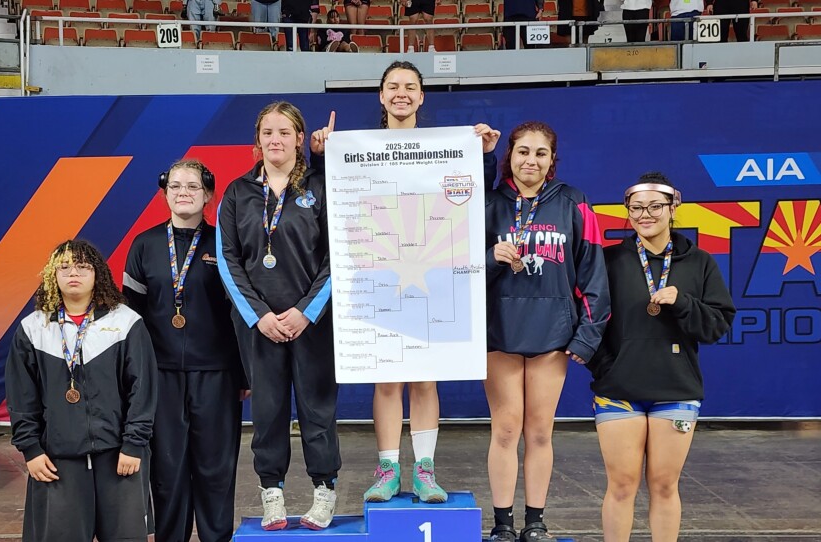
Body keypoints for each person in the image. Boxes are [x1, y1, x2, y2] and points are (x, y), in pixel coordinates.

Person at [310, 60, 501, 506]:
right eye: (393, 86)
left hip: (432, 268)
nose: (401, 93)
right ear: (381, 96)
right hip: (378, 272)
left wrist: (485, 154)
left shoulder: (448, 145)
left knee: (425, 378)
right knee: (387, 380)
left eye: (410, 87)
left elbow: (474, 193)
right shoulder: (354, 148)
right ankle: (389, 470)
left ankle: (426, 472)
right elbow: (327, 197)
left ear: (421, 96)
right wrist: (319, 156)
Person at [587, 173, 735, 542]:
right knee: (621, 485)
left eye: (655, 206)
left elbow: (717, 325)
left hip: (676, 389)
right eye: (636, 208)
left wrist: (682, 302)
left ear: (673, 207)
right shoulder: (609, 260)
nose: (645, 214)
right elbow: (588, 319)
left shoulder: (699, 262)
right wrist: (606, 366)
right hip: (619, 389)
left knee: (665, 484)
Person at [218, 101, 340, 531]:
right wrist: (259, 316)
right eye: (268, 132)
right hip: (260, 326)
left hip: (313, 322)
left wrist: (306, 312)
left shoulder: (320, 188)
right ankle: (273, 492)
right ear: (258, 140)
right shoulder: (237, 193)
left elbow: (336, 256)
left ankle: (324, 490)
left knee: (317, 408)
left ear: (299, 139)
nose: (275, 139)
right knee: (267, 410)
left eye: (284, 132)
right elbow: (228, 259)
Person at [485, 121, 610, 541]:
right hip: (498, 331)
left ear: (552, 160)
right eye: (522, 151)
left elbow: (594, 272)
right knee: (505, 429)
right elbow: (459, 263)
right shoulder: (489, 202)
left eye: (540, 153)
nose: (530, 161)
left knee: (539, 431)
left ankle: (535, 522)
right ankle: (502, 524)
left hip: (553, 335)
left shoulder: (574, 202)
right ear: (510, 157)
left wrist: (587, 335)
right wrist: (491, 256)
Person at [123, 160, 247, 542]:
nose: (183, 193)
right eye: (175, 186)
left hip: (217, 373)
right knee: (167, 469)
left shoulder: (224, 243)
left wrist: (244, 373)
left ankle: (216, 537)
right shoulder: (144, 245)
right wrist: (134, 378)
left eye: (193, 186)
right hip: (160, 375)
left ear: (208, 195)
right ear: (165, 194)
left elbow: (240, 313)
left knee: (216, 468)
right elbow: (131, 318)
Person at [5, 240, 157, 542]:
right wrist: (31, 450)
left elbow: (143, 389)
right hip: (56, 459)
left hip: (119, 455)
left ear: (97, 273)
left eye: (83, 267)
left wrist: (134, 443)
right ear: (53, 275)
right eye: (64, 267)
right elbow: (21, 397)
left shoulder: (125, 322)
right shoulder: (33, 328)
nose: (73, 273)